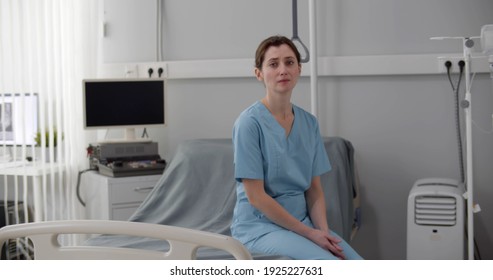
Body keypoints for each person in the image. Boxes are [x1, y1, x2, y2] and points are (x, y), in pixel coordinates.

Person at [231, 35, 362, 260]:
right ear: (259, 73)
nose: (283, 70)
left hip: (303, 224)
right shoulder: (249, 123)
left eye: (289, 62)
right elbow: (256, 198)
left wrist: (321, 233)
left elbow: (314, 190)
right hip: (261, 228)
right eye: (273, 64)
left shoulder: (309, 123)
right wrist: (310, 234)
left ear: (299, 69)